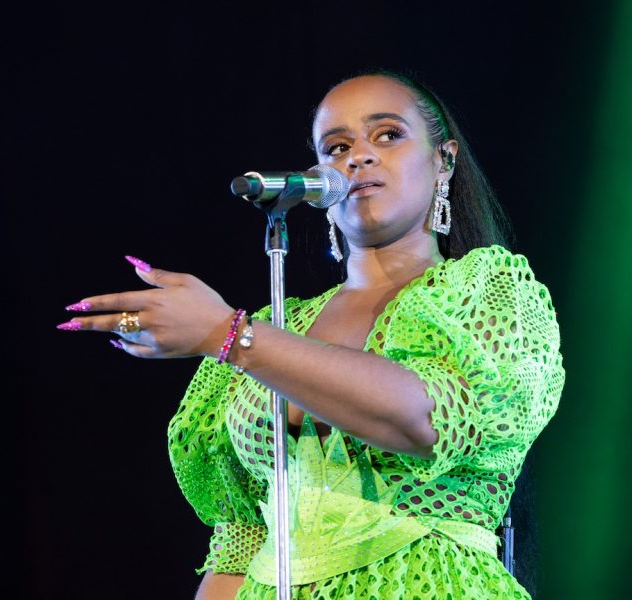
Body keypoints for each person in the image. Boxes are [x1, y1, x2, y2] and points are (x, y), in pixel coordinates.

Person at [58, 70, 565, 599]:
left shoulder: (487, 291)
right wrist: (235, 338)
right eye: (337, 146)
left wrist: (225, 334)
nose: (358, 157)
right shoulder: (279, 324)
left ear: (445, 160)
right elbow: (241, 540)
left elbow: (424, 419)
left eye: (388, 135)